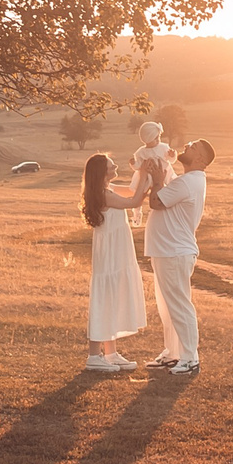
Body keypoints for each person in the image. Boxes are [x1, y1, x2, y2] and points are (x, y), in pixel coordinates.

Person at [142, 138, 214, 377]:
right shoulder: (187, 181)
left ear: (201, 160)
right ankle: (172, 352)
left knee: (180, 305)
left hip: (174, 251)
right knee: (167, 306)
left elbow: (156, 202)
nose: (187, 146)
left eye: (193, 147)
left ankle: (190, 357)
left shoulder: (188, 182)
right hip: (166, 250)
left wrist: (159, 182)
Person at [80, 154, 147, 371]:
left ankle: (110, 353)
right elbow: (134, 201)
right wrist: (146, 172)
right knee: (105, 296)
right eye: (111, 165)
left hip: (116, 252)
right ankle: (93, 356)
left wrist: (144, 172)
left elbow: (131, 190)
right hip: (109, 254)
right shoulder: (104, 195)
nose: (116, 166)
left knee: (113, 294)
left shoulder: (108, 190)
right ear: (102, 172)